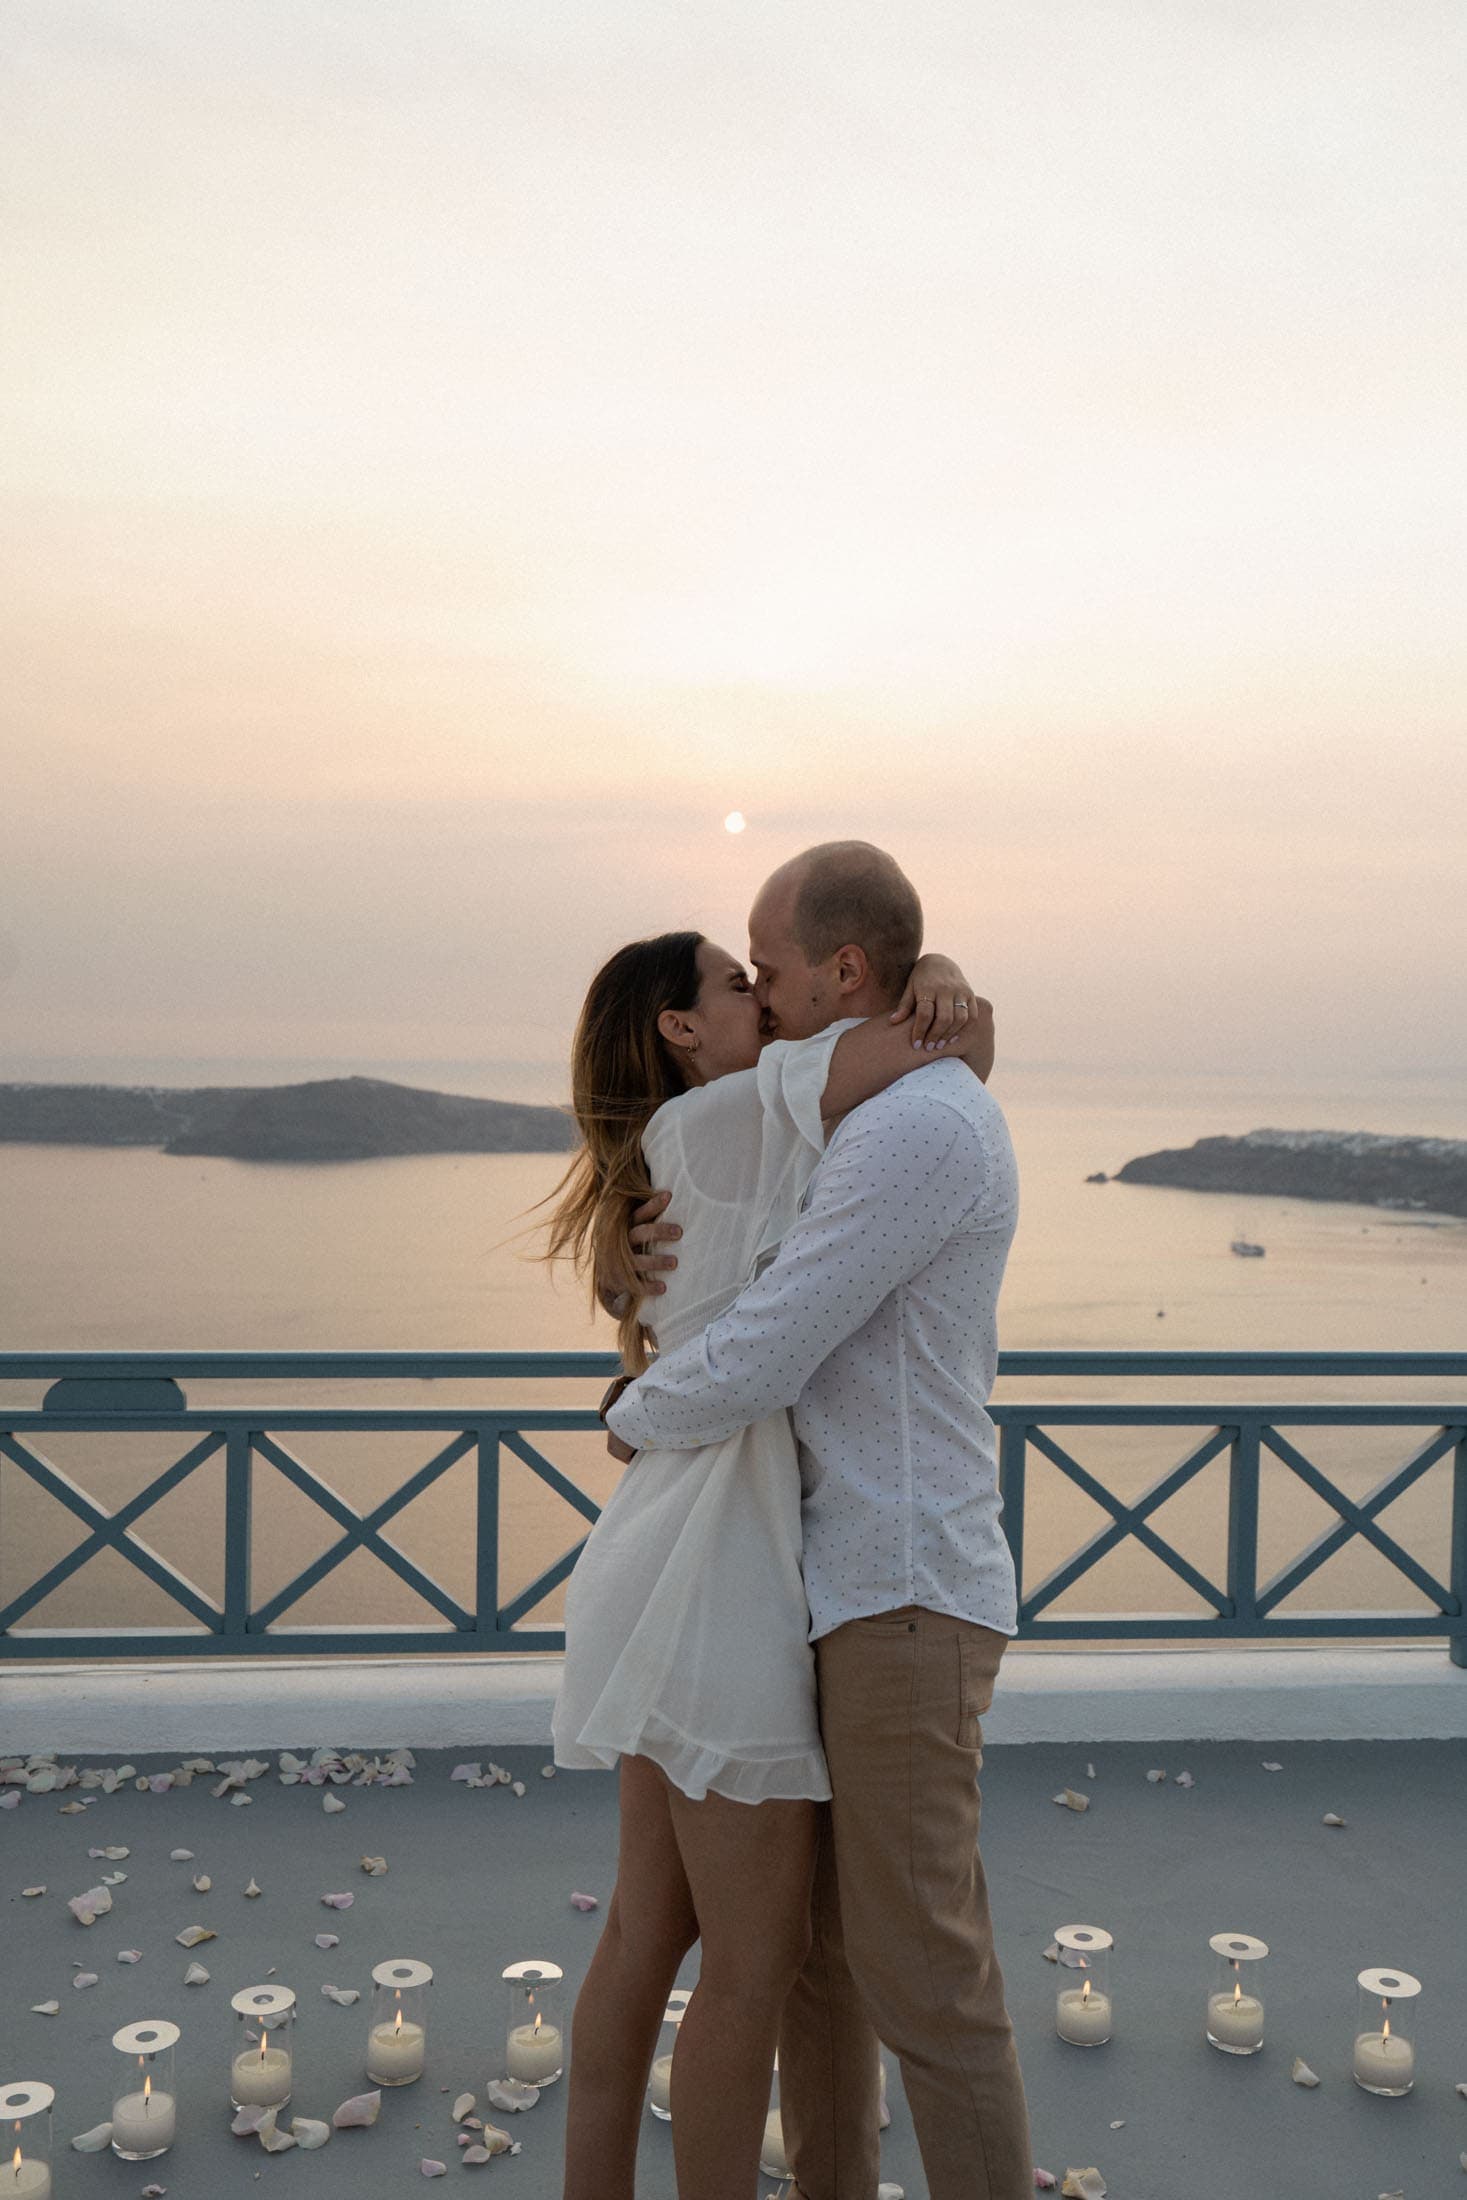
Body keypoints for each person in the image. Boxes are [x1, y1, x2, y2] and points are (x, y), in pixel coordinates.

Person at [607, 841, 1033, 2200]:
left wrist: (628, 1416)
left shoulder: (912, 1125)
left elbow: (771, 1341)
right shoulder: (849, 1110)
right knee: (824, 1963)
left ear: (845, 970)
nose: (762, 989)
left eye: (773, 967)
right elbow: (723, 1271)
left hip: (903, 1587)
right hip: (835, 1587)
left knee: (923, 1973)